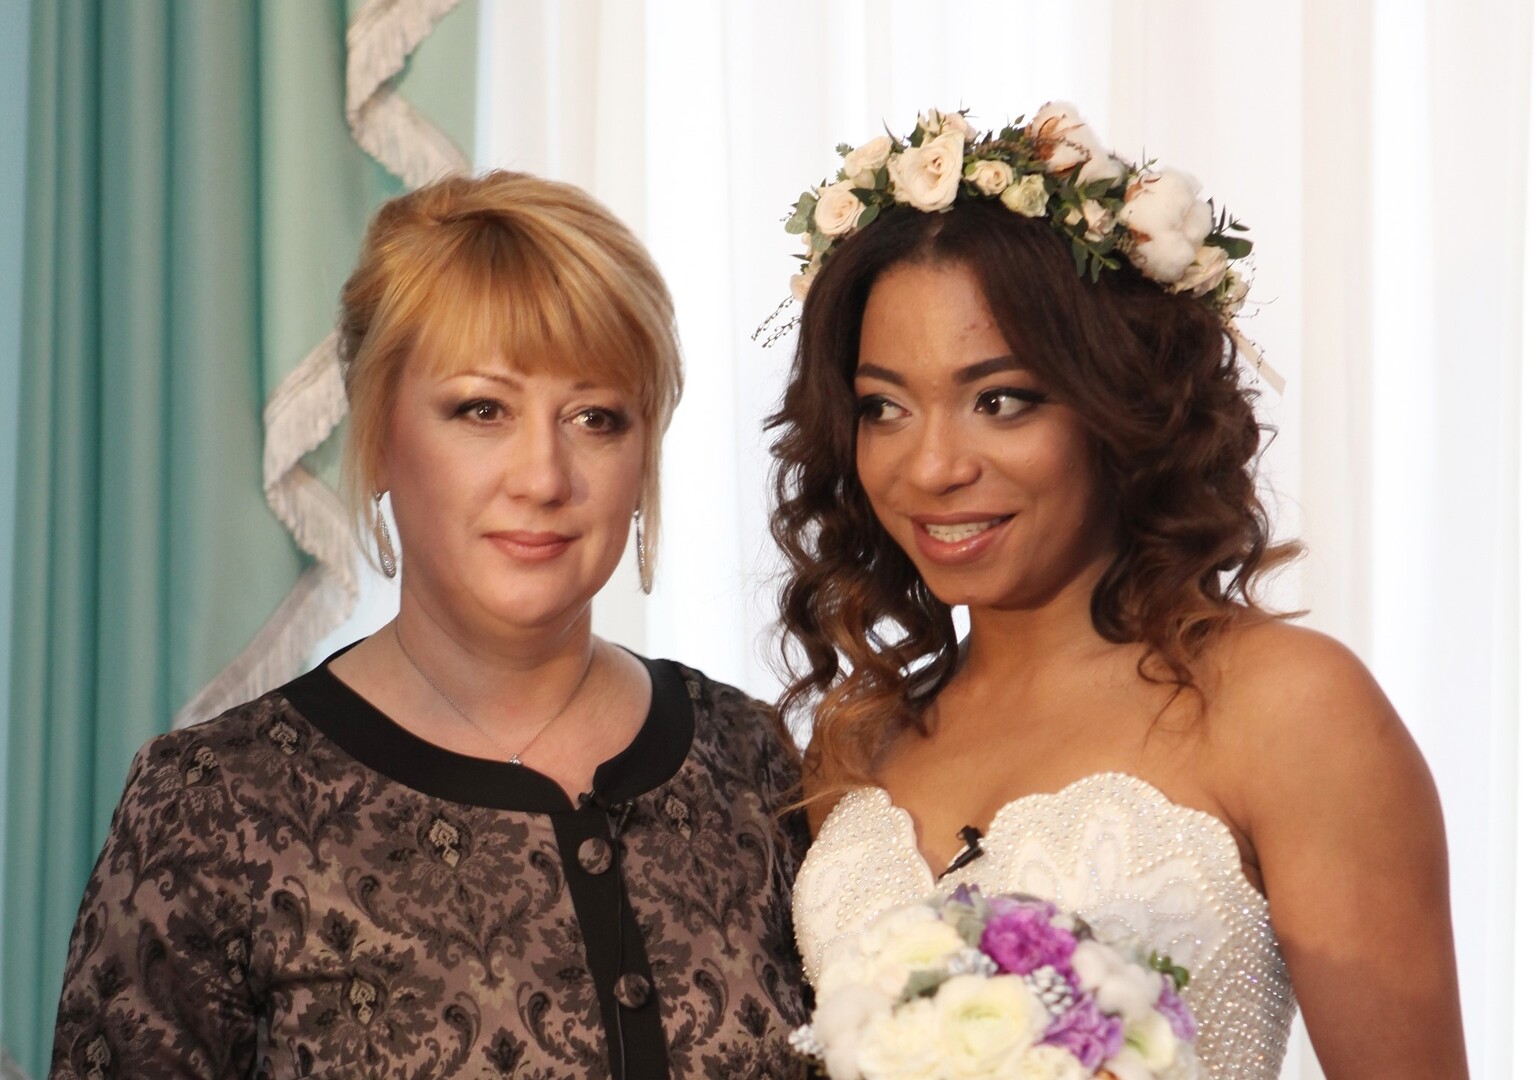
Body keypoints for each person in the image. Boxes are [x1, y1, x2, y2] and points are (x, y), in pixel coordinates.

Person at [50, 171, 807, 1079]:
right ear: (377, 438)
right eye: (482, 409)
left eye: (595, 417)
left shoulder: (751, 760)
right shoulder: (211, 806)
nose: (543, 476)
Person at [769, 106, 1467, 1079]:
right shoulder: (857, 736)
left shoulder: (1287, 707)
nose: (930, 466)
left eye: (998, 400)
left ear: (1119, 403)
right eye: (882, 407)